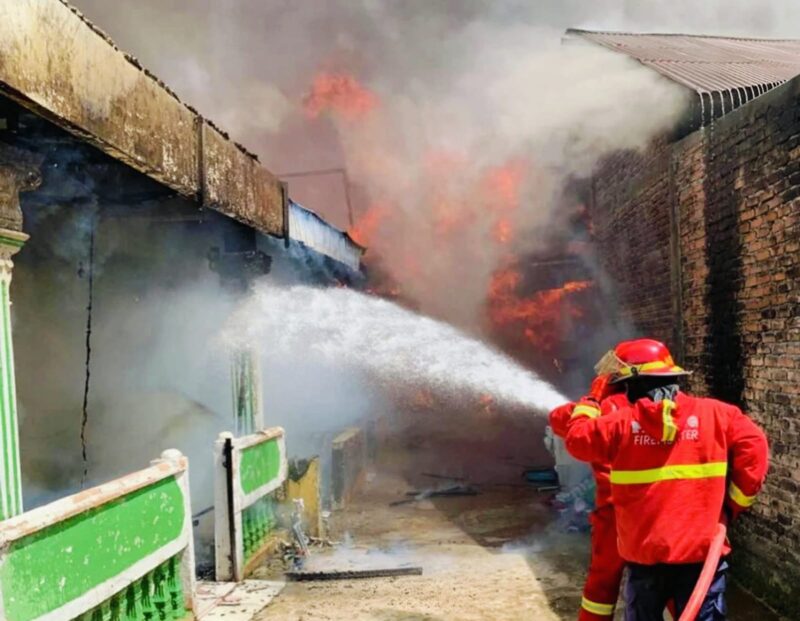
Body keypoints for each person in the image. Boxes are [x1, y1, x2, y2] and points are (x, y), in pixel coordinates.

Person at [565, 339, 769, 621]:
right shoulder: (719, 414)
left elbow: (576, 439)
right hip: (701, 557)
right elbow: (756, 446)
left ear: (635, 385)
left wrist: (590, 401)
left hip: (644, 559)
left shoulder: (619, 424)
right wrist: (733, 504)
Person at [549, 375, 629, 620]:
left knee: (602, 584)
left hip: (612, 516)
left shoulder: (600, 411)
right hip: (657, 514)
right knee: (665, 579)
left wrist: (592, 398)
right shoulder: (669, 411)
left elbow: (559, 420)